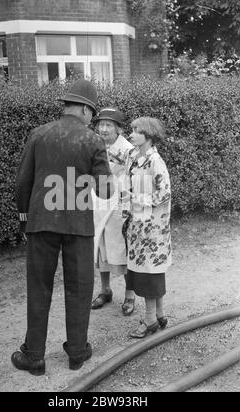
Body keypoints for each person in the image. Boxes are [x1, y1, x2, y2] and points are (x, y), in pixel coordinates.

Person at [11, 79, 114, 375]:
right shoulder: (93, 140)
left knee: (39, 288)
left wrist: (24, 220)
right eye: (92, 113)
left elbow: (22, 184)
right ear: (84, 109)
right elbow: (106, 191)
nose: (92, 119)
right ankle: (77, 353)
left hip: (41, 222)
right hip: (78, 225)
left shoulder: (38, 134)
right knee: (80, 288)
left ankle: (34, 356)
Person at [122, 116, 171, 338]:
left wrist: (136, 198)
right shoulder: (133, 156)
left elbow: (164, 194)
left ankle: (150, 319)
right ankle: (159, 315)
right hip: (136, 226)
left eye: (136, 131)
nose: (131, 134)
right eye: (131, 130)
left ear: (148, 136)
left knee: (150, 274)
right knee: (142, 272)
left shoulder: (155, 161)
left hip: (152, 230)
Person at [91, 107, 136, 316]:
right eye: (101, 124)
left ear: (118, 128)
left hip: (119, 206)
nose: (104, 128)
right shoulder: (94, 144)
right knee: (100, 245)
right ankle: (105, 290)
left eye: (109, 125)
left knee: (121, 248)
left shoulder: (128, 149)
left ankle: (129, 294)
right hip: (97, 202)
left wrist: (129, 207)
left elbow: (133, 179)